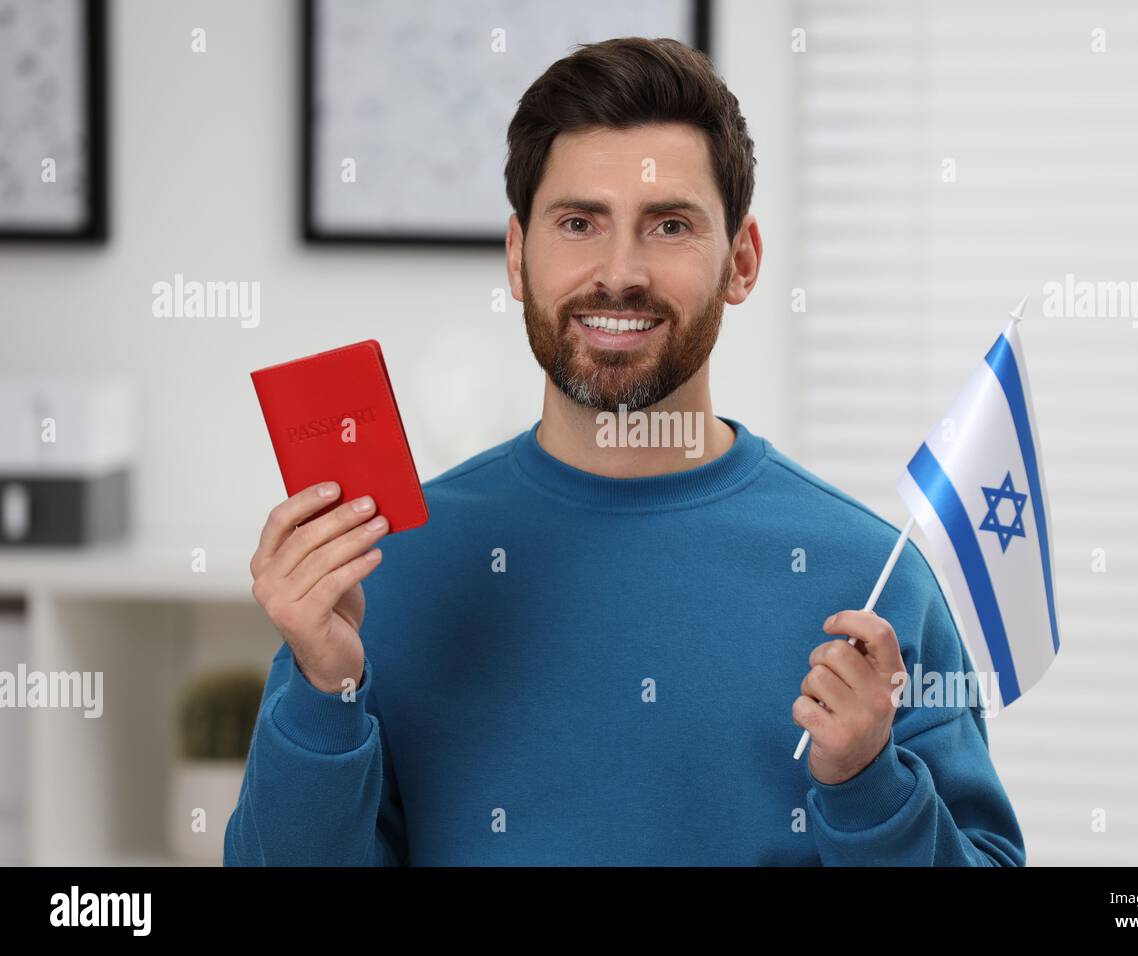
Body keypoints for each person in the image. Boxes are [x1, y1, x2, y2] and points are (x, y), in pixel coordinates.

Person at [225, 36, 1025, 866]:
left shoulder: (873, 580)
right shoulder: (383, 565)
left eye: (669, 225)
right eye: (579, 223)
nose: (620, 272)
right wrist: (323, 690)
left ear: (741, 262)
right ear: (517, 256)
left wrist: (867, 784)